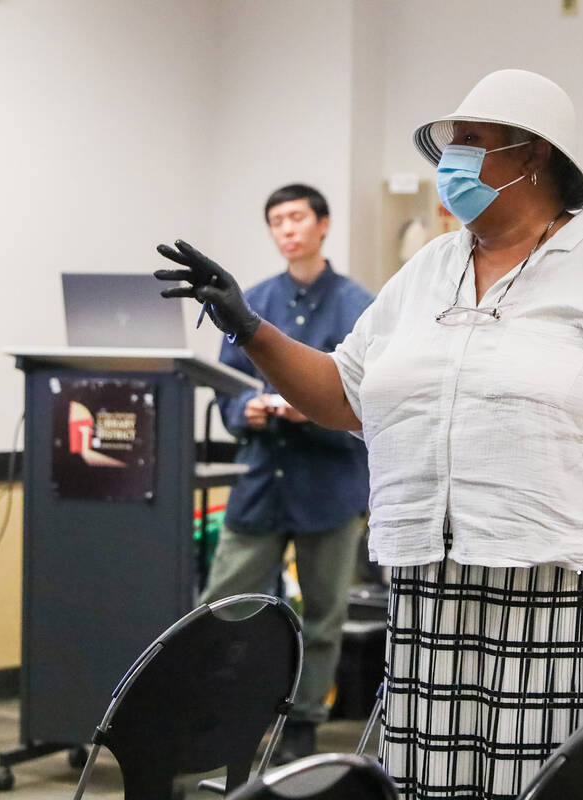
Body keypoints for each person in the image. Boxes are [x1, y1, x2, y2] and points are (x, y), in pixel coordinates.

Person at [155, 68, 583, 799]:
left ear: (533, 156)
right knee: (432, 785)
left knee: (545, 785)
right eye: (449, 143)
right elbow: (344, 393)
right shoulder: (427, 272)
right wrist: (249, 327)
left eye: (473, 142)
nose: (451, 160)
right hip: (431, 588)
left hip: (567, 591)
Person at [199, 183, 373, 762]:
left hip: (328, 483)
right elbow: (230, 384)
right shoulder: (250, 302)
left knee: (323, 613)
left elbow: (371, 394)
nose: (287, 229)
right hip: (261, 481)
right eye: (276, 221)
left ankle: (303, 720)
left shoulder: (358, 305)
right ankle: (220, 710)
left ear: (323, 225)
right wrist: (240, 412)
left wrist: (316, 408)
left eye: (297, 217)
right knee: (226, 604)